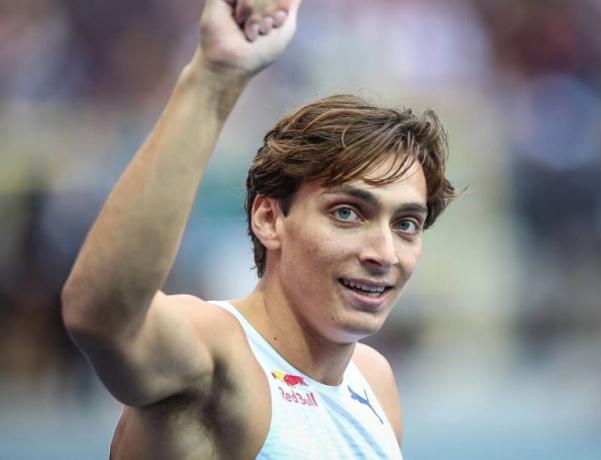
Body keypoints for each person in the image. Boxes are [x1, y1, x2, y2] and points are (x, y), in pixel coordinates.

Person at [61, 0, 457, 458]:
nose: (384, 253)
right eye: (347, 213)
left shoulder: (374, 381)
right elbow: (102, 318)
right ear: (269, 218)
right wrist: (213, 77)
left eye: (406, 223)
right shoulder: (217, 355)